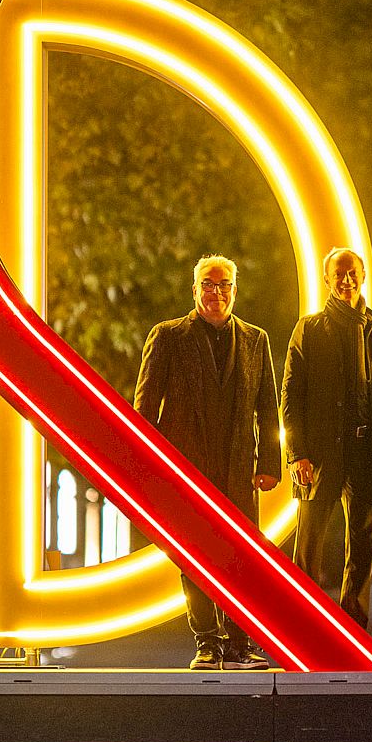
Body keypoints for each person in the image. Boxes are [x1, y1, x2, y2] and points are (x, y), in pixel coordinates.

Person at [134, 255, 282, 670]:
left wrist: (270, 461)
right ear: (194, 289)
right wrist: (148, 466)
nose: (217, 292)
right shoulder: (167, 336)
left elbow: (268, 408)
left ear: (235, 289)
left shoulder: (256, 340)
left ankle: (239, 644)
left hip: (238, 467)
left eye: (224, 284)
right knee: (193, 556)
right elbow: (144, 406)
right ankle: (207, 643)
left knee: (241, 558)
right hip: (186, 465)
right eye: (208, 284)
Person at [283, 247, 372, 625]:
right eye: (339, 274)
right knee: (309, 545)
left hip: (365, 454)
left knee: (362, 547)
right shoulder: (309, 328)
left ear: (363, 277)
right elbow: (291, 393)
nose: (347, 281)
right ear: (327, 279)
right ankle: (303, 625)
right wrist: (297, 453)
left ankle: (353, 629)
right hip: (321, 453)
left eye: (353, 274)